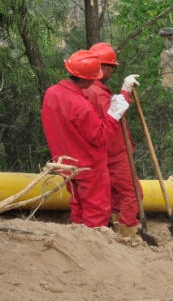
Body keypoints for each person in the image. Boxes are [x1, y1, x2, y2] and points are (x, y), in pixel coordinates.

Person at [41, 50, 133, 228]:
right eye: (93, 78)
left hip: (67, 164)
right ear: (83, 79)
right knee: (96, 212)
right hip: (89, 166)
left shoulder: (52, 93)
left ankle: (79, 240)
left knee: (78, 206)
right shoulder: (81, 105)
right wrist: (113, 115)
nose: (95, 81)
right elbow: (99, 135)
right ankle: (93, 247)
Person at [84, 43, 141, 237]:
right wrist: (125, 91)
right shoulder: (96, 90)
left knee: (117, 192)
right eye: (112, 67)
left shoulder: (91, 88)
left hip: (108, 149)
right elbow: (112, 113)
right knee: (133, 193)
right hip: (114, 150)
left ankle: (118, 225)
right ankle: (127, 231)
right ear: (103, 67)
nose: (113, 71)